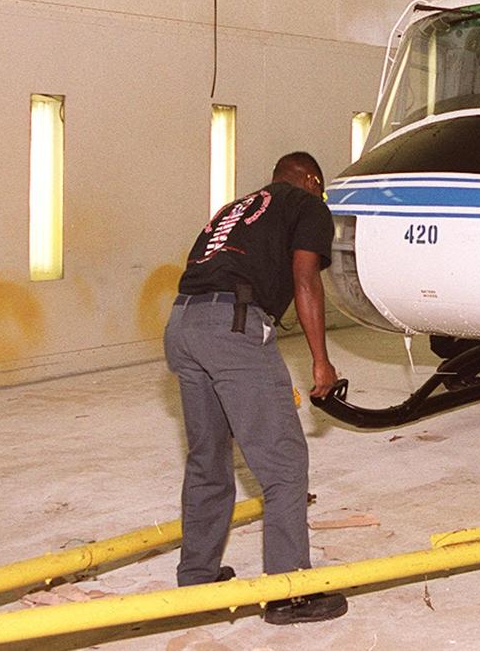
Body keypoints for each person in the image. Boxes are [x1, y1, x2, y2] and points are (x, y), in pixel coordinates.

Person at [164, 152, 348, 625]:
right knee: (285, 463)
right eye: (320, 187)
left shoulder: (237, 208)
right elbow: (305, 279)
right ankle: (289, 592)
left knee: (208, 459)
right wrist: (321, 360)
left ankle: (198, 580)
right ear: (311, 179)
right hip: (233, 328)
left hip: (183, 324)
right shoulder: (308, 205)